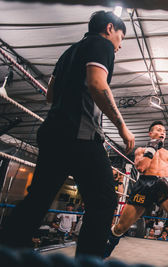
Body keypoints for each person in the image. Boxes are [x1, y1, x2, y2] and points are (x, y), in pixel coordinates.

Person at [0, 11, 135, 257]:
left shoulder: (68, 52)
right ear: (109, 28)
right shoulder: (101, 43)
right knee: (103, 201)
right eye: (120, 36)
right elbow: (97, 84)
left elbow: (51, 94)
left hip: (53, 131)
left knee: (38, 198)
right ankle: (89, 261)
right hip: (79, 135)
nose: (120, 44)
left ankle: (9, 249)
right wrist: (121, 125)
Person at [103, 121, 168, 267]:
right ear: (150, 134)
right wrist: (151, 148)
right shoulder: (141, 150)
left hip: (163, 185)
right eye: (158, 130)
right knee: (121, 227)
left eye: (164, 131)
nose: (162, 132)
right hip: (144, 184)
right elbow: (141, 167)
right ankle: (105, 252)